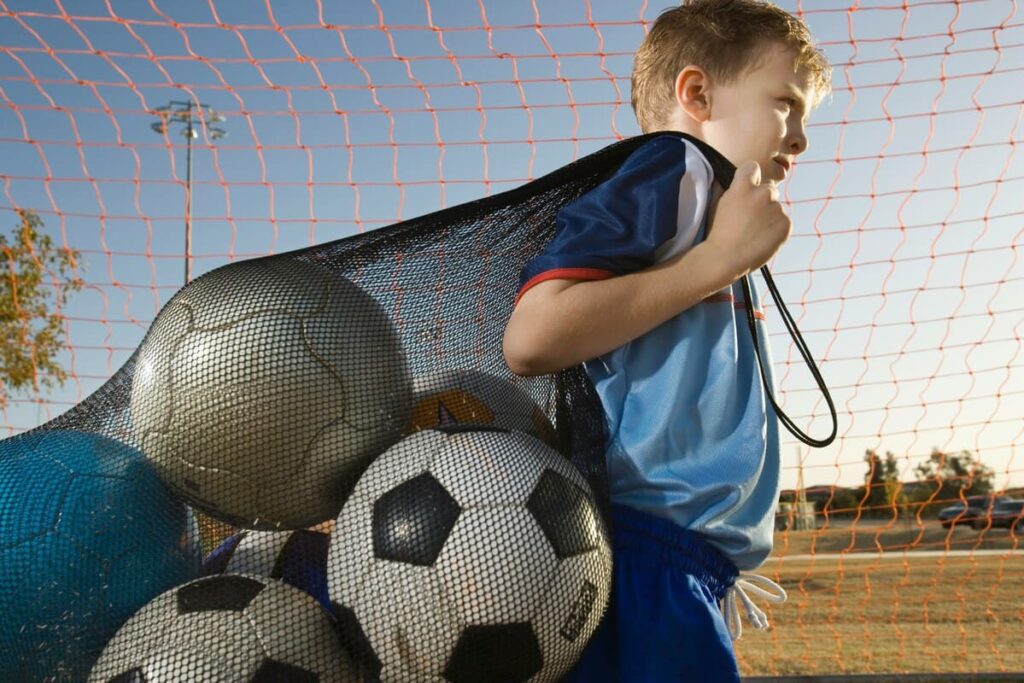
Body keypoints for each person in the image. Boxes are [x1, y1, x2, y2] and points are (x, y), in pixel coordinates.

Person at [502, 1, 832, 681]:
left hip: (681, 562)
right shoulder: (675, 171)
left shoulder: (712, 206)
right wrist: (716, 263)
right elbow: (532, 336)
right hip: (643, 551)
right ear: (697, 93)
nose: (799, 138)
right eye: (785, 103)